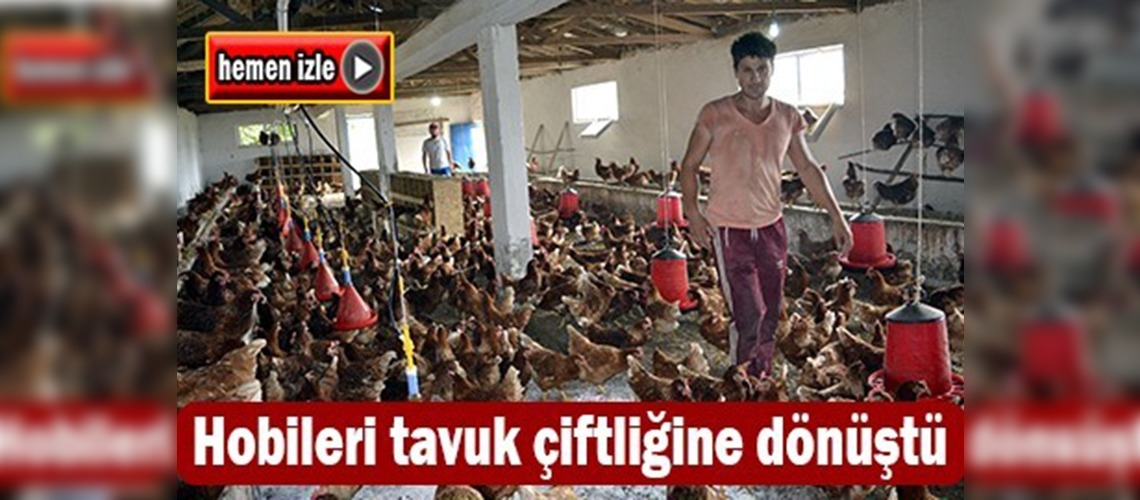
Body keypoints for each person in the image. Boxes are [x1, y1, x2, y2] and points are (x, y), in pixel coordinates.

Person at [679, 32, 853, 376]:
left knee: (772, 313)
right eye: (747, 70)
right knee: (749, 315)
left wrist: (838, 216)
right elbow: (689, 166)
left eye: (762, 69)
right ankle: (742, 380)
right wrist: (693, 213)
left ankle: (762, 378)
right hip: (729, 230)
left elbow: (807, 168)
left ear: (772, 70)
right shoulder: (715, 114)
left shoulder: (787, 116)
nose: (755, 78)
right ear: (736, 72)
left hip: (772, 227)